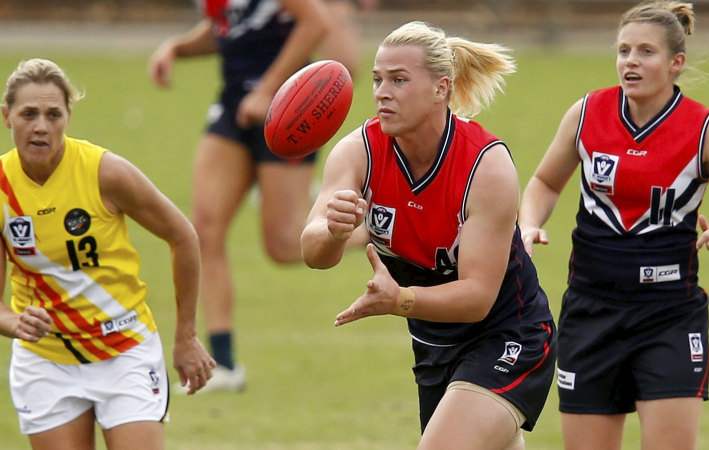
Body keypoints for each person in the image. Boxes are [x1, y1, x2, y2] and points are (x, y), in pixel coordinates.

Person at [518, 2, 709, 449]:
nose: (630, 61)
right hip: (590, 311)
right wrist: (529, 224)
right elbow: (544, 183)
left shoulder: (703, 130)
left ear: (676, 63)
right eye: (624, 50)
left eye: (646, 52)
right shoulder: (587, 113)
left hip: (668, 316)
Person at [301, 21, 557, 449]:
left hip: (508, 335)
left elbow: (478, 297)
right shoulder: (358, 151)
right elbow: (313, 253)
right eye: (378, 79)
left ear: (441, 89)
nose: (382, 92)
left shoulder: (485, 165)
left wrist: (398, 300)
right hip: (432, 343)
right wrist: (332, 231)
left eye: (399, 80)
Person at [0, 58, 216, 450]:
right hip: (46, 361)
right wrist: (14, 323)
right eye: (28, 114)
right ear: (6, 117)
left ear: (68, 117)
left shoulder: (104, 172)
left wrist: (186, 336)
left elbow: (183, 236)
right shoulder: (2, 188)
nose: (41, 126)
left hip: (124, 350)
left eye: (53, 114)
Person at [148, 0, 333, 392]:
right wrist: (177, 48)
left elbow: (316, 22)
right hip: (234, 103)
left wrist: (267, 89)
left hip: (292, 108)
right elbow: (228, 27)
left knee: (285, 246)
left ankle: (378, 228)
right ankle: (223, 365)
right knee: (203, 230)